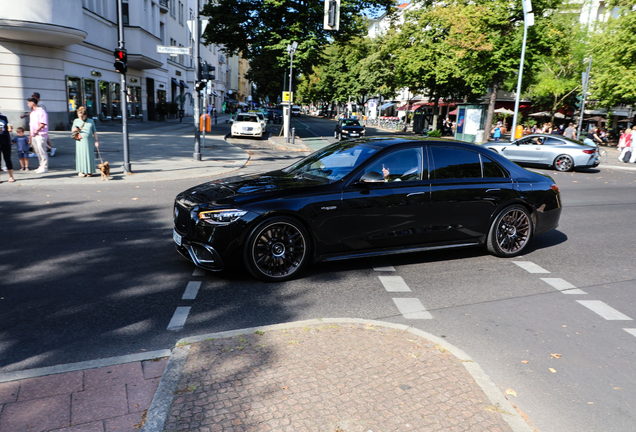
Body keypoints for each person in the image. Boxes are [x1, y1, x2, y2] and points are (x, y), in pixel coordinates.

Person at [72, 106, 99, 177]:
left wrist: (96, 140)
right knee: (81, 155)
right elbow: (72, 130)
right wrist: (76, 129)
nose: (81, 118)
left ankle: (89, 171)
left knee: (89, 155)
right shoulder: (76, 121)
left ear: (85, 115)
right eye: (79, 116)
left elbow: (94, 131)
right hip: (80, 141)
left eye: (82, 116)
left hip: (89, 141)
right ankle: (81, 171)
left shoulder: (91, 121)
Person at [27, 97, 49, 173]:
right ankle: (41, 165)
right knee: (37, 151)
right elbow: (31, 125)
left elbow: (43, 123)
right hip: (34, 135)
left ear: (32, 103)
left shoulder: (41, 111)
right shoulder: (32, 113)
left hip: (40, 134)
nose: (28, 105)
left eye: (28, 103)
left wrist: (37, 130)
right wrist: (30, 136)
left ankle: (45, 167)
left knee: (42, 150)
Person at [0, 107, 15, 183]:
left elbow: (7, 127)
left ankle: (11, 176)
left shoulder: (4, 117)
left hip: (5, 142)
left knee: (7, 159)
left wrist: (9, 129)